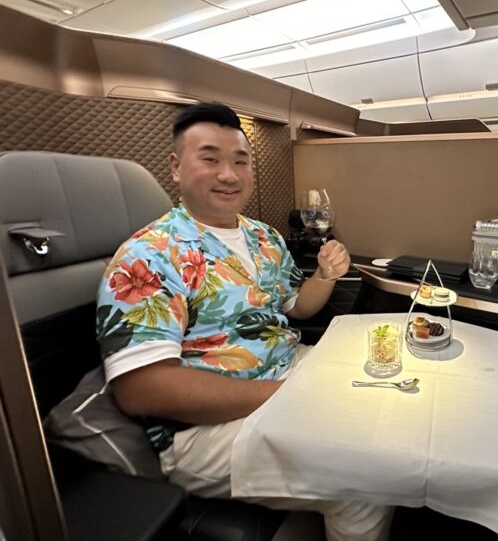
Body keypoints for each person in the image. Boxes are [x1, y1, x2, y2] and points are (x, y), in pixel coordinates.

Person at [96, 102, 393, 541]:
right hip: (204, 429)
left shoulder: (262, 235)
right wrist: (285, 394)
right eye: (210, 159)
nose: (229, 174)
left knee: (386, 403)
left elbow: (298, 308)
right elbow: (143, 390)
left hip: (288, 370)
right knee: (365, 480)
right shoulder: (148, 255)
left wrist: (325, 275)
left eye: (240, 160)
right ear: (176, 168)